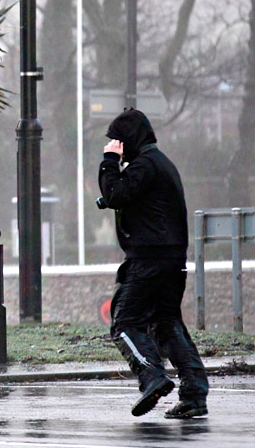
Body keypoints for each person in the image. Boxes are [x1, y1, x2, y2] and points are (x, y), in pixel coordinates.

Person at [98, 108, 209, 418]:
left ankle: (152, 376)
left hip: (148, 260)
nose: (115, 146)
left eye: (118, 141)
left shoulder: (145, 165)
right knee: (167, 324)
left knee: (124, 323)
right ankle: (194, 393)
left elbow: (116, 194)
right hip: (172, 260)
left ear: (129, 139)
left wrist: (109, 163)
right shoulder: (161, 164)